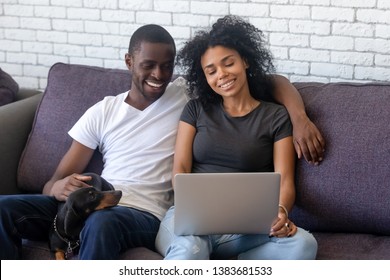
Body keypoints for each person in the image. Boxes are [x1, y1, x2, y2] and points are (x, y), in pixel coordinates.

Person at [0, 23, 322, 260]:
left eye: (167, 66)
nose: (159, 74)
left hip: (140, 211)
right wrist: (56, 188)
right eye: (148, 65)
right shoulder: (103, 110)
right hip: (92, 203)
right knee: (4, 210)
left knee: (102, 223)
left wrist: (299, 117)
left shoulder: (184, 94)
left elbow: (269, 81)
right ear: (129, 62)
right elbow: (53, 182)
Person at [155, 15, 318, 260]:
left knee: (303, 244)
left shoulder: (275, 116)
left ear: (245, 61)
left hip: (246, 227)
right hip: (193, 221)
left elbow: (285, 181)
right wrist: (193, 209)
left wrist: (281, 212)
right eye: (211, 71)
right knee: (190, 249)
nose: (221, 74)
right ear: (205, 77)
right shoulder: (195, 110)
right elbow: (180, 168)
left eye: (228, 63)